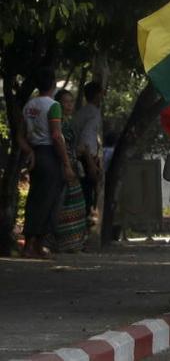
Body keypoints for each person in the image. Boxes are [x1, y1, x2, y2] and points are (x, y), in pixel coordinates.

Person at [19, 68, 76, 259]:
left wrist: (29, 152)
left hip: (35, 155)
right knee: (49, 201)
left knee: (34, 199)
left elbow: (19, 136)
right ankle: (37, 243)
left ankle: (29, 244)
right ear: (52, 85)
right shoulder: (53, 106)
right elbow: (56, 136)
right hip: (50, 155)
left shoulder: (28, 106)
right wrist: (66, 164)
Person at [53, 89, 87, 252]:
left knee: (75, 204)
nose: (69, 105)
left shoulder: (69, 121)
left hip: (72, 165)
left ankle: (74, 243)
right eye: (66, 102)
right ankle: (62, 243)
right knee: (63, 204)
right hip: (63, 165)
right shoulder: (59, 122)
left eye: (71, 101)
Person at [73, 82, 104, 216]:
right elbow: (85, 139)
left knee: (87, 190)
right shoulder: (93, 113)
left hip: (85, 156)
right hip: (86, 158)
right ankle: (86, 220)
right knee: (89, 192)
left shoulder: (81, 113)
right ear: (98, 95)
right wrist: (91, 163)